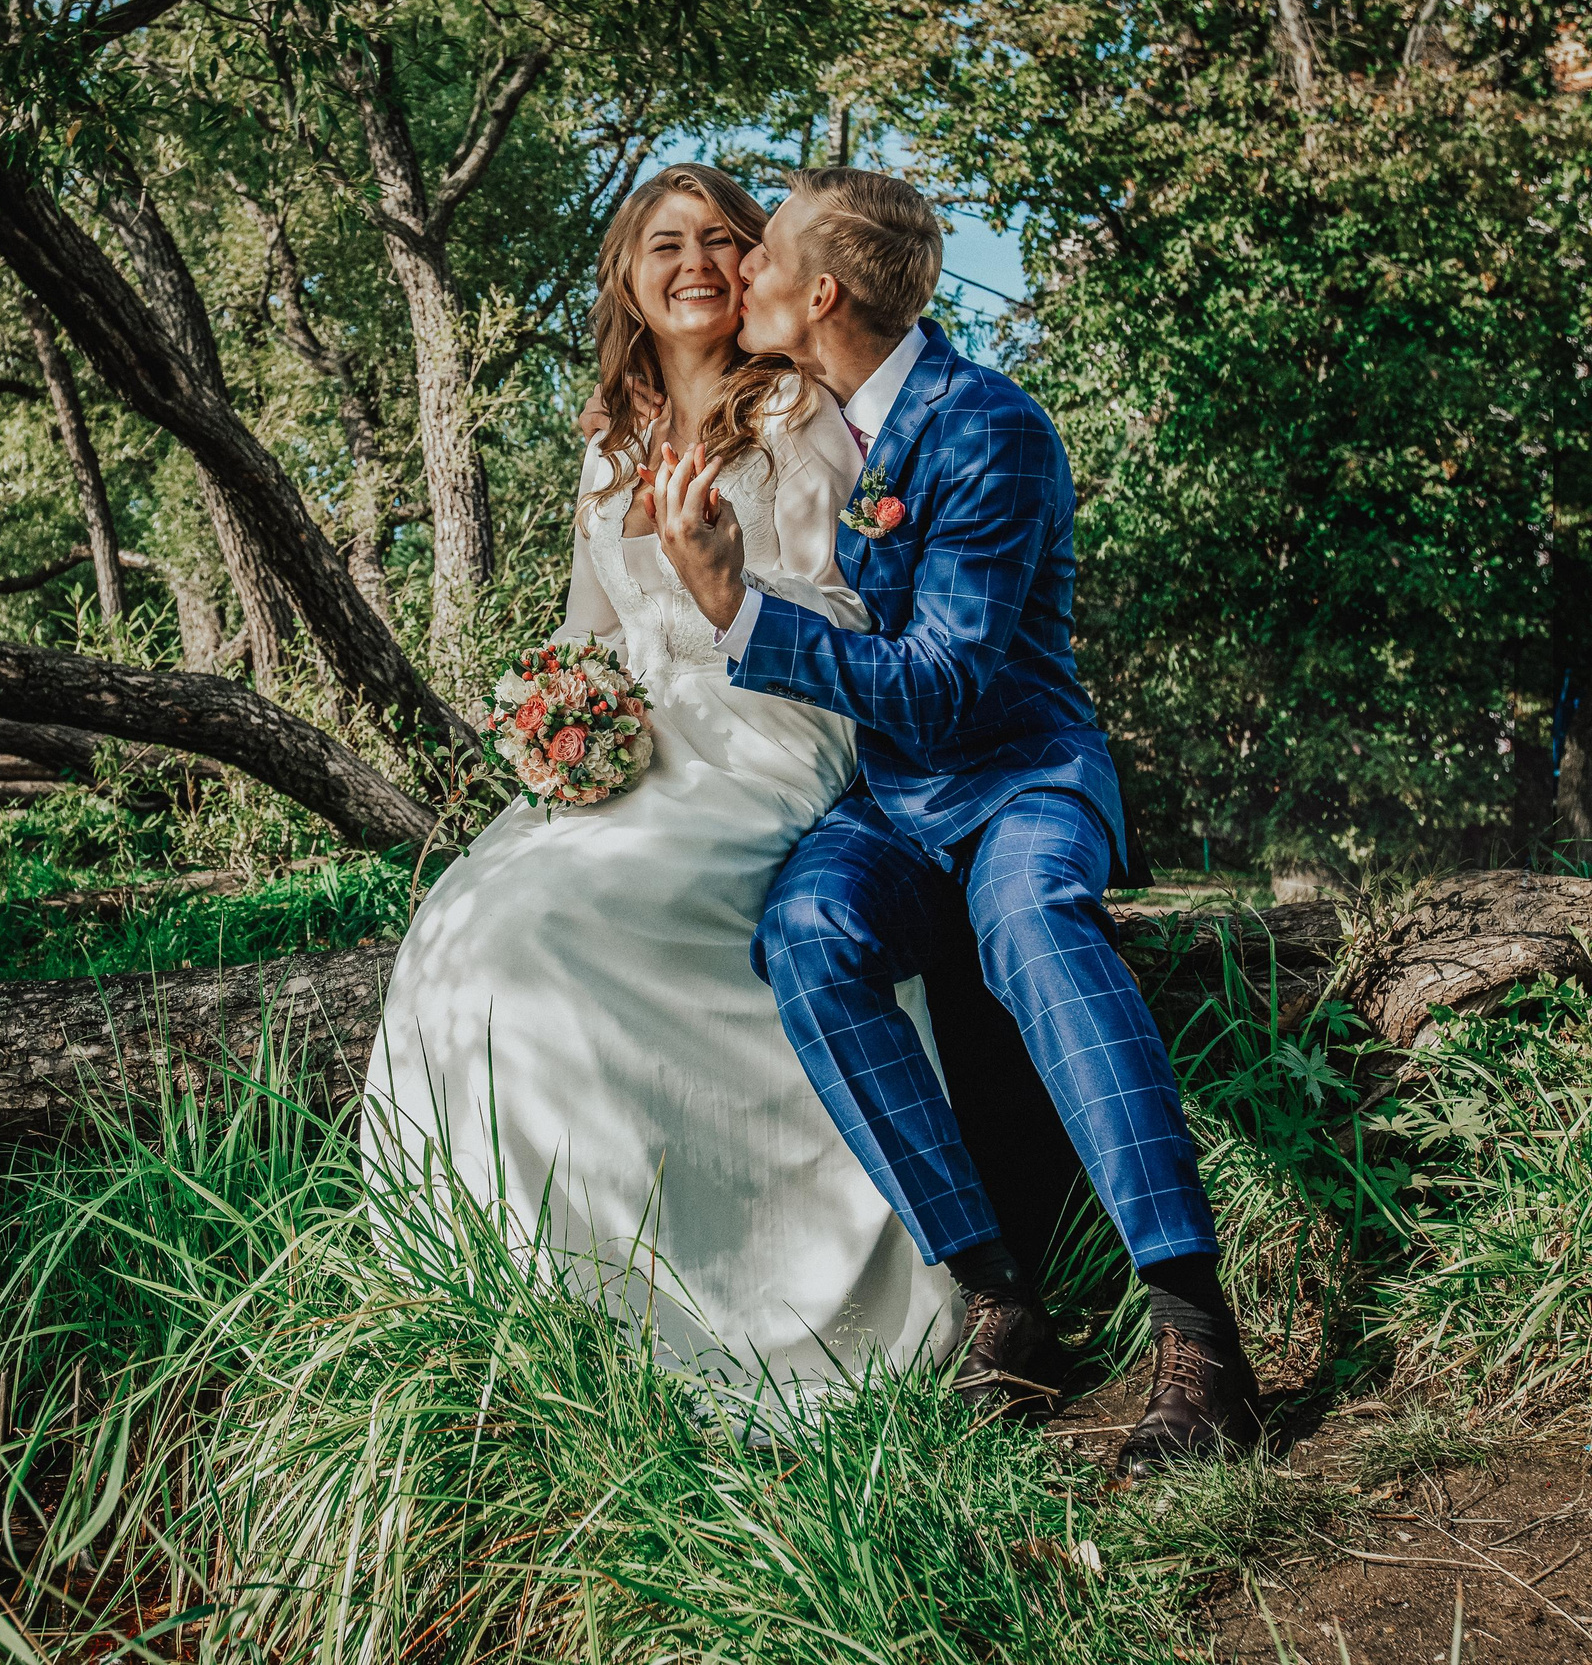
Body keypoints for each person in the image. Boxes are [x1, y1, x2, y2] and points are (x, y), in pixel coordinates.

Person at [361, 164, 1060, 1403]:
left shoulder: (798, 414)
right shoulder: (609, 445)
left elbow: (864, 613)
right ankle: (541, 1298)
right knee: (460, 919)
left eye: (723, 242)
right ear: (627, 276)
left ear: (756, 272)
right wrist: (548, 723)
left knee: (549, 919)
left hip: (769, 737)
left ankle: (751, 1301)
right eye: (664, 243)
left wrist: (726, 584)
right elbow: (587, 638)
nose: (695, 263)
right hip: (644, 748)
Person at [646, 167, 1258, 1474]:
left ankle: (1200, 1337)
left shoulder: (990, 426)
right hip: (893, 805)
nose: (738, 269)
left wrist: (736, 611)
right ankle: (1000, 1297)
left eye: (763, 260)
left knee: (1035, 921)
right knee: (806, 934)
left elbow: (943, 685)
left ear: (821, 295)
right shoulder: (838, 420)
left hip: (1022, 781)